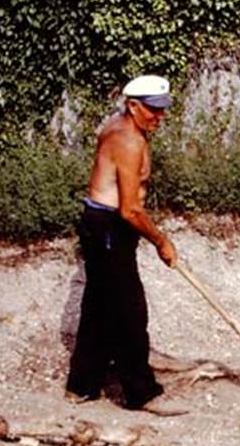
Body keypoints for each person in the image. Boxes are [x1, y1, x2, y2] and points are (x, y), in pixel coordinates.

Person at [65, 74, 178, 409]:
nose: (159, 116)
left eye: (162, 110)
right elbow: (130, 209)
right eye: (152, 110)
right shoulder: (129, 141)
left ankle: (82, 385)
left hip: (99, 223)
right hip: (111, 227)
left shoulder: (116, 125)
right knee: (130, 311)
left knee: (99, 306)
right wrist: (162, 241)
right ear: (132, 105)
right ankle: (141, 393)